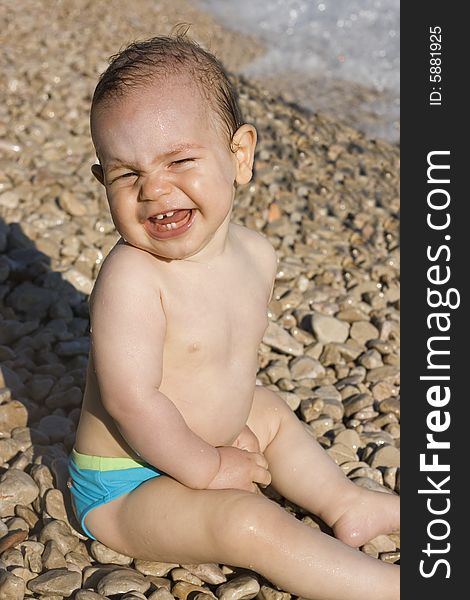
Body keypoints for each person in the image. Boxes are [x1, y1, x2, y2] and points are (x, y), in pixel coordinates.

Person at [68, 31, 399, 600]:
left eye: (179, 160)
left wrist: (229, 426)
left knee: (267, 408)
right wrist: (205, 466)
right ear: (102, 182)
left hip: (200, 444)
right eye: (127, 174)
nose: (155, 188)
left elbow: (224, 362)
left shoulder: (256, 256)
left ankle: (345, 502)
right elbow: (131, 400)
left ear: (239, 156)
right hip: (126, 485)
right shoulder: (132, 278)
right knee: (247, 525)